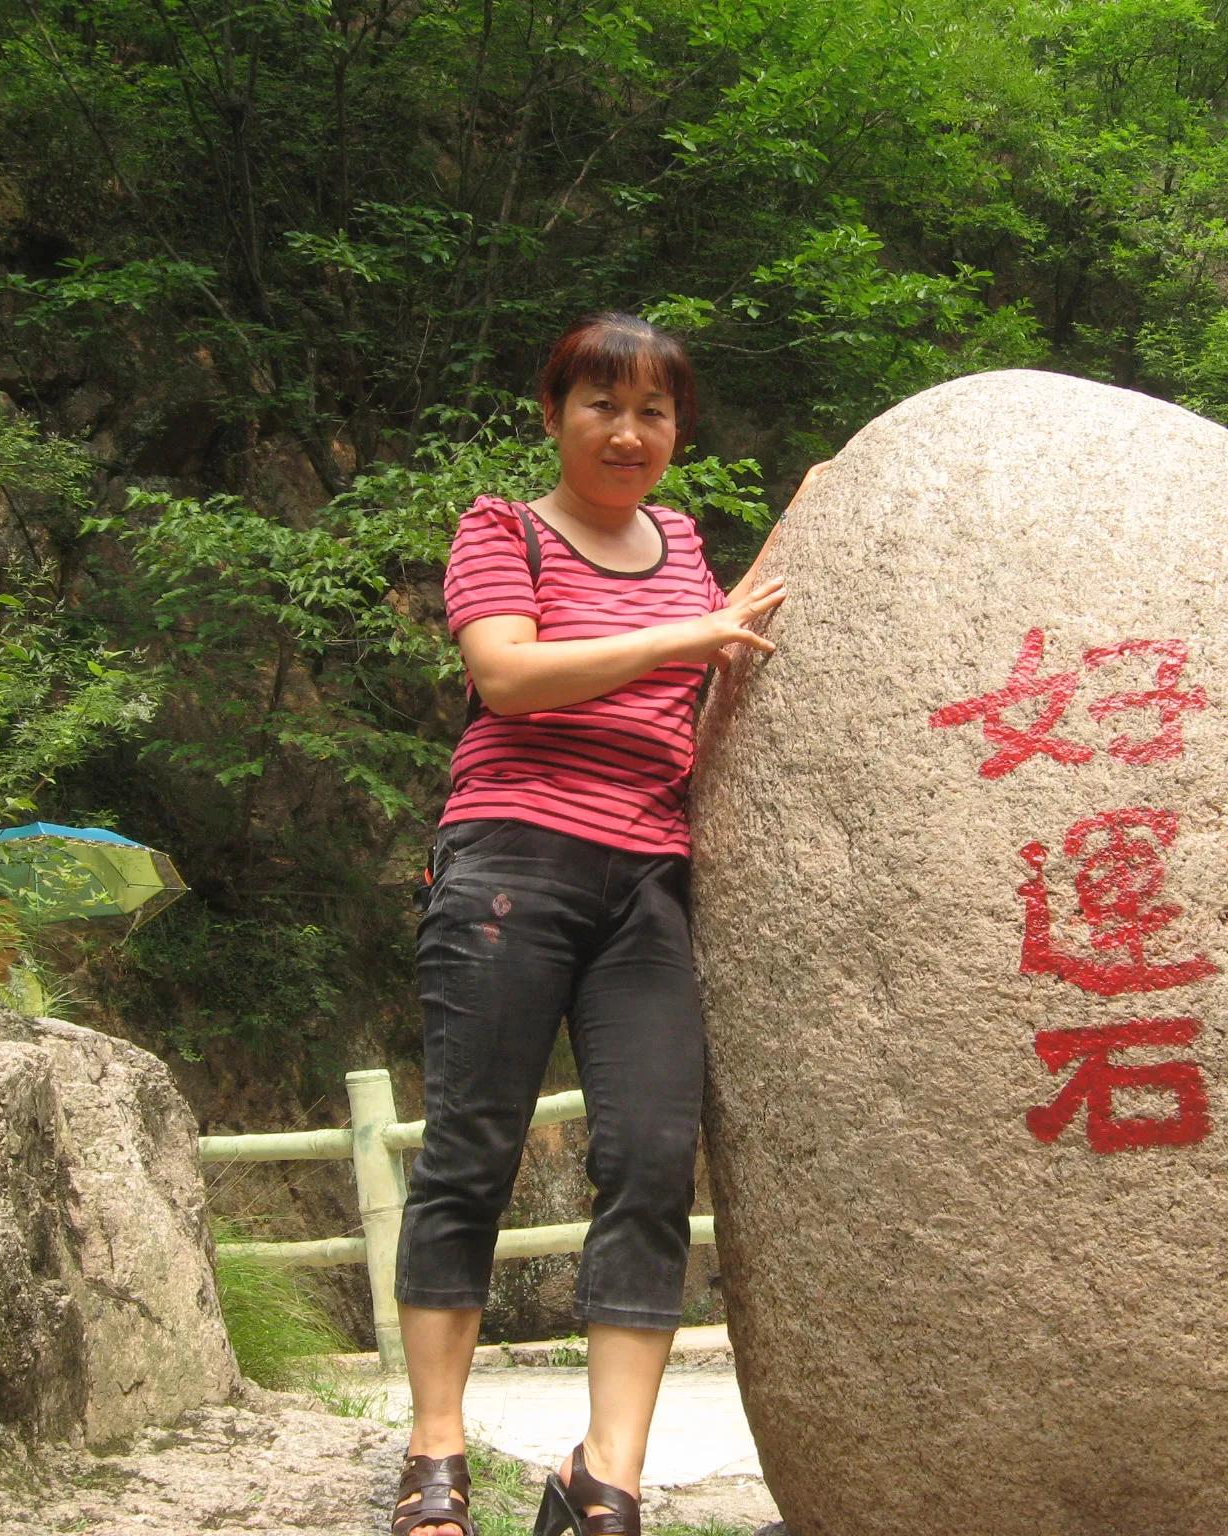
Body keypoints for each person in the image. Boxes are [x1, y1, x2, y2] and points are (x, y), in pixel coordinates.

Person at [390, 311, 814, 1536]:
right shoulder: (503, 528)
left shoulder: (680, 542)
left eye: (654, 412)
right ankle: (435, 1458)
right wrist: (691, 632)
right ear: (553, 415)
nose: (628, 434)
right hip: (509, 863)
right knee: (472, 1149)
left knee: (645, 1157)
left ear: (677, 431)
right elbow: (509, 675)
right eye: (601, 406)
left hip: (646, 882)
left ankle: (605, 1480)